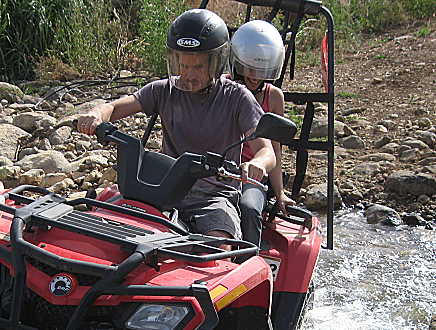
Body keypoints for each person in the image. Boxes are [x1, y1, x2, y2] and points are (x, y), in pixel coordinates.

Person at [77, 8, 275, 242]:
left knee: (219, 246)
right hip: (166, 191)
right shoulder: (164, 90)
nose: (189, 75)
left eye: (199, 66)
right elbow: (116, 107)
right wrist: (95, 114)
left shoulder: (237, 97)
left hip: (215, 197)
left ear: (216, 63)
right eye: (184, 65)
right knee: (113, 235)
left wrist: (257, 164)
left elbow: (267, 151)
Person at [230, 19, 296, 249]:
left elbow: (274, 148)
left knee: (248, 207)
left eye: (262, 69)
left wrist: (280, 193)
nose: (255, 75)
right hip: (222, 167)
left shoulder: (274, 97)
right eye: (250, 67)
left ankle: (249, 262)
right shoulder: (225, 87)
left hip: (254, 173)